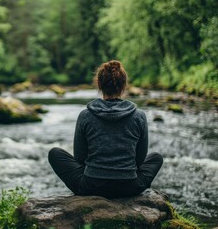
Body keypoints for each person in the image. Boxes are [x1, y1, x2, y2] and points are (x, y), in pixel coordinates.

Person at [48, 60, 163, 198]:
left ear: (99, 84)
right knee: (156, 158)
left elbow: (79, 158)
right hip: (130, 187)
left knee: (55, 153)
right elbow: (140, 160)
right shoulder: (139, 116)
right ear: (123, 86)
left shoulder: (86, 115)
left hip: (91, 187)